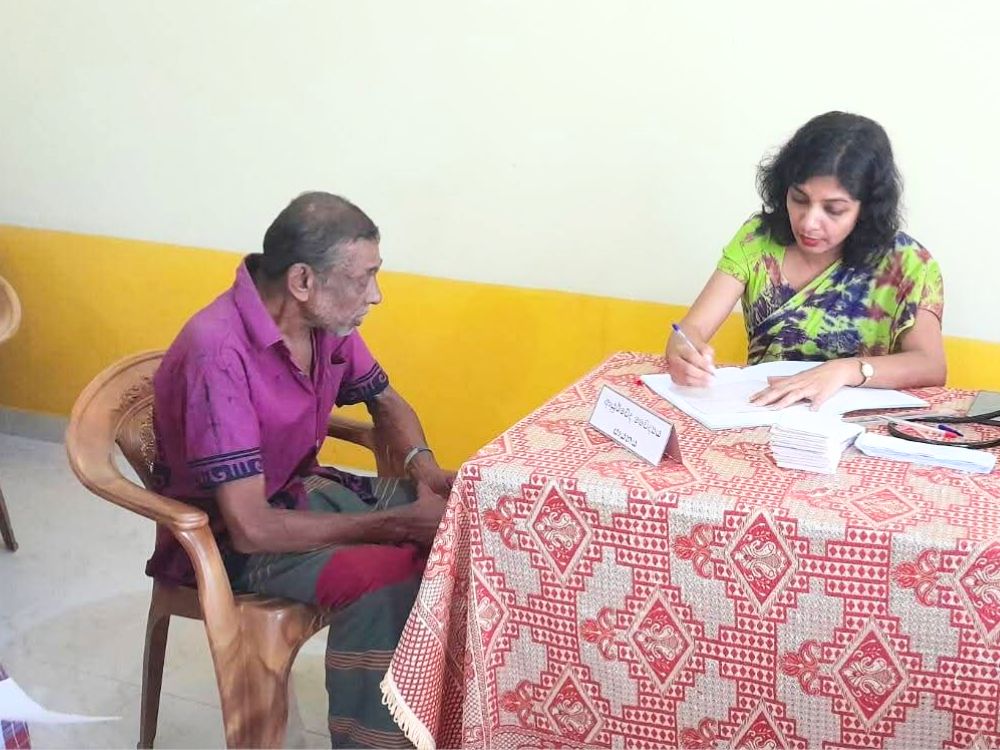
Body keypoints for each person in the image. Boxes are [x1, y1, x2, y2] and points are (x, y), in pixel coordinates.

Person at [146, 191, 453, 748]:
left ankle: (436, 715)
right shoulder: (219, 352)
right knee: (389, 576)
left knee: (459, 521)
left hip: (296, 492)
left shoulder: (323, 325)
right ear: (303, 281)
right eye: (364, 278)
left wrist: (425, 471)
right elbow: (251, 528)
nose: (376, 294)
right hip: (224, 542)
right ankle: (373, 741)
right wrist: (395, 524)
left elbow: (386, 402)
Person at [666, 111, 946, 408]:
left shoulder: (908, 264)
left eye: (833, 209)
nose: (809, 222)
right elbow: (691, 329)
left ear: (866, 209)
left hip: (857, 422)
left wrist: (845, 370)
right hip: (764, 412)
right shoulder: (758, 241)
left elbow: (930, 365)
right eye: (799, 199)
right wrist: (683, 350)